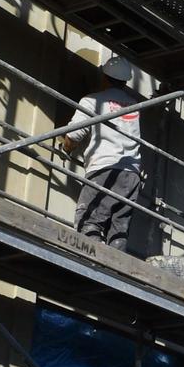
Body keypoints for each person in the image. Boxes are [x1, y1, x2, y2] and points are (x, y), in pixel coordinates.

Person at [63, 54, 145, 251]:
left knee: (89, 222)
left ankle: (88, 266)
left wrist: (65, 147)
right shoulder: (135, 107)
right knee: (119, 231)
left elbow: (74, 136)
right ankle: (113, 272)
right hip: (132, 175)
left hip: (105, 169)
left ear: (105, 77)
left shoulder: (93, 101)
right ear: (125, 81)